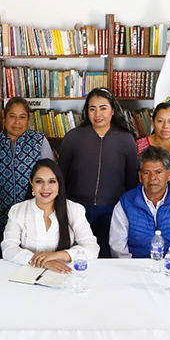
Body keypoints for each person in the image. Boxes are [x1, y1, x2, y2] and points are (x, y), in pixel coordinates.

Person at [58, 88, 138, 258]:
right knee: (77, 255)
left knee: (106, 256)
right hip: (77, 209)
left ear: (113, 110)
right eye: (92, 108)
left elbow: (131, 180)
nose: (97, 114)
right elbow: (61, 175)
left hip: (113, 210)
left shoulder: (126, 139)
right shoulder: (73, 137)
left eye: (103, 108)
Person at [1, 159, 99, 273]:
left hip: (65, 272)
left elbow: (92, 247)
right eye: (39, 181)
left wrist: (56, 255)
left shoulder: (75, 210)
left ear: (59, 184)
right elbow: (8, 248)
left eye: (52, 181)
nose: (45, 187)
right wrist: (45, 262)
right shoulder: (18, 210)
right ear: (31, 183)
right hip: (28, 273)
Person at [110, 146, 170, 258]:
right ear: (140, 177)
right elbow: (118, 248)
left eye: (158, 172)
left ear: (169, 175)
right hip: (134, 265)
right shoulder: (125, 204)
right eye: (146, 172)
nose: (152, 177)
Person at [0, 97, 55, 226]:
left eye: (22, 117)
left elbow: (51, 178)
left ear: (28, 120)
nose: (17, 122)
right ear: (4, 118)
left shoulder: (39, 141)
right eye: (12, 116)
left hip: (33, 215)